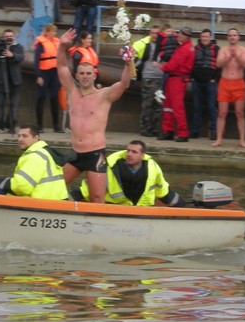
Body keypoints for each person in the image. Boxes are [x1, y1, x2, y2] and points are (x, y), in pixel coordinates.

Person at [57, 27, 132, 203]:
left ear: (94, 75)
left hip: (94, 154)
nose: (85, 77)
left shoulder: (103, 95)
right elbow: (61, 66)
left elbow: (123, 84)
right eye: (81, 73)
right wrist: (61, 46)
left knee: (97, 197)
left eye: (88, 74)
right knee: (54, 186)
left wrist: (129, 63)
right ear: (77, 75)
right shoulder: (72, 91)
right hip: (75, 153)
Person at [70, 140, 184, 206]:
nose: (129, 154)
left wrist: (183, 207)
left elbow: (164, 192)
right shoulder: (109, 167)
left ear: (142, 156)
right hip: (115, 212)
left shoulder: (153, 169)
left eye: (134, 152)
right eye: (128, 150)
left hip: (143, 213)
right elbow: (86, 191)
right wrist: (65, 201)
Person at [0, 124, 69, 199]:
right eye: (19, 136)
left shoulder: (35, 156)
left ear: (36, 138)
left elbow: (22, 187)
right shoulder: (45, 152)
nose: (20, 139)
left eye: (25, 136)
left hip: (40, 204)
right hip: (53, 201)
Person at [212, 28, 245, 147]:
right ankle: (219, 139)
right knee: (222, 113)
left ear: (238, 37)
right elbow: (218, 64)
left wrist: (236, 56)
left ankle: (242, 140)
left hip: (238, 83)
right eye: (230, 35)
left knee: (240, 113)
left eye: (234, 35)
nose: (232, 37)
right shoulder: (223, 50)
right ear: (227, 37)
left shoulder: (244, 50)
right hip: (225, 83)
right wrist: (229, 57)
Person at [159, 26, 195, 142]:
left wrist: (163, 67)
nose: (178, 35)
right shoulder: (185, 47)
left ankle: (183, 133)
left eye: (181, 34)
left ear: (186, 37)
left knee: (176, 106)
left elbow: (174, 64)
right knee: (168, 106)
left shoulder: (185, 49)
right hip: (174, 78)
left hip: (177, 79)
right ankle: (168, 131)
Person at [132, 24, 165, 136]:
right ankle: (145, 129)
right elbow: (136, 58)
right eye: (152, 33)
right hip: (148, 78)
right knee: (147, 104)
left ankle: (155, 129)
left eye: (157, 33)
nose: (155, 35)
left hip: (160, 79)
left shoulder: (163, 46)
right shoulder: (145, 45)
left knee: (159, 105)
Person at [0, 28, 24, 134]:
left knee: (13, 105)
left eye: (10, 36)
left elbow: (20, 57)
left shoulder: (18, 47)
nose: (9, 38)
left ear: (13, 37)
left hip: (14, 81)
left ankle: (11, 126)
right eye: (7, 36)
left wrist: (12, 55)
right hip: (0, 80)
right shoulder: (1, 46)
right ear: (4, 37)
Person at [190, 28, 220, 140]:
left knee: (212, 107)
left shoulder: (216, 49)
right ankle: (194, 131)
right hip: (196, 81)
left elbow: (219, 65)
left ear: (210, 37)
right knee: (196, 107)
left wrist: (215, 78)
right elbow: (190, 62)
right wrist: (192, 77)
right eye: (203, 37)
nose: (204, 39)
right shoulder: (195, 48)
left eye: (206, 37)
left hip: (210, 82)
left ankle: (213, 131)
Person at [34, 22, 62, 133]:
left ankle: (56, 126)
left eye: (55, 31)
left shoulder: (57, 42)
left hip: (54, 73)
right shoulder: (41, 44)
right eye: (52, 31)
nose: (54, 33)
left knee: (54, 98)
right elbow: (36, 61)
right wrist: (39, 76)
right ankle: (39, 126)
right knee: (41, 98)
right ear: (47, 32)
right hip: (44, 73)